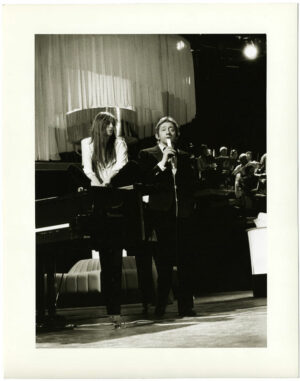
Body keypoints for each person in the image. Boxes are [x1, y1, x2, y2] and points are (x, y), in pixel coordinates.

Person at [138, 116, 197, 318]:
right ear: (157, 134)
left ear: (177, 134)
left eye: (172, 129)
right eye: (164, 129)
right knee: (163, 264)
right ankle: (160, 306)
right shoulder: (147, 155)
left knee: (186, 262)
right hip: (161, 214)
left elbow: (190, 185)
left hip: (183, 214)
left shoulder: (185, 156)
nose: (168, 132)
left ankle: (186, 306)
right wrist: (163, 162)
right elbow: (145, 181)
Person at [81, 111, 128, 328]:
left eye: (113, 124)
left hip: (116, 198)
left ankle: (116, 310)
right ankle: (110, 310)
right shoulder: (87, 144)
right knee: (104, 259)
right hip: (97, 199)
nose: (111, 128)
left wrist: (107, 179)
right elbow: (87, 169)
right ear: (99, 126)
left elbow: (121, 164)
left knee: (115, 259)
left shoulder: (119, 143)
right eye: (108, 124)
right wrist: (98, 182)